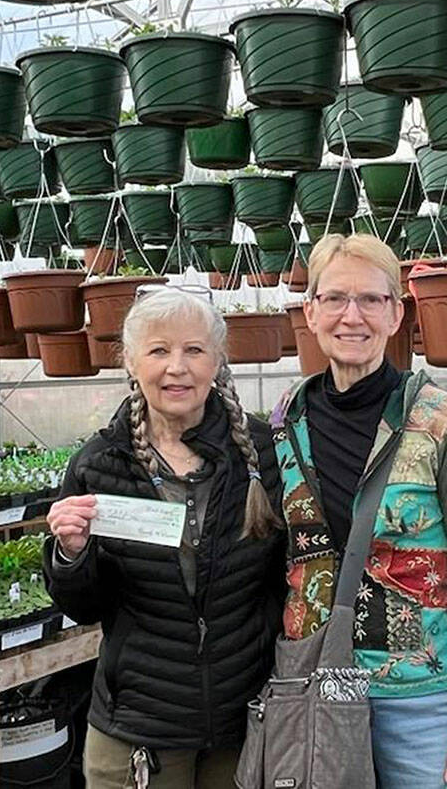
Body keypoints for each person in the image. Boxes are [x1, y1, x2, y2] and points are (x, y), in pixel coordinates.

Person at [270, 233, 447, 789]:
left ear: (396, 314)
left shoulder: (440, 419)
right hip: (318, 683)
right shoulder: (286, 423)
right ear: (310, 311)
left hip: (420, 698)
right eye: (334, 298)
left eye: (372, 300)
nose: (352, 316)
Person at [44, 287, 285, 789]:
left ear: (218, 361)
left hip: (245, 720)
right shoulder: (100, 463)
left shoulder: (261, 453)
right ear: (131, 362)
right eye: (159, 350)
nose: (177, 367)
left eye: (194, 350)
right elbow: (84, 606)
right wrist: (70, 553)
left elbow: (290, 573)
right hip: (139, 728)